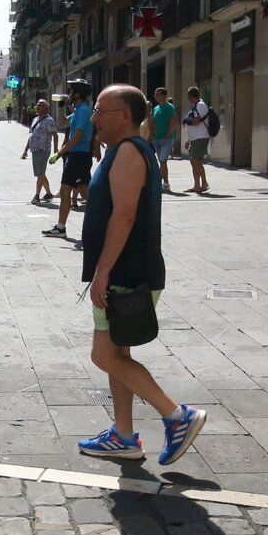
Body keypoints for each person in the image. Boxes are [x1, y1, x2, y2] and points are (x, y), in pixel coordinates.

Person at [77, 85, 207, 466]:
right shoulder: (127, 150)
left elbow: (125, 216)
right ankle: (123, 434)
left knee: (103, 355)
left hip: (126, 271)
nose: (94, 117)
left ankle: (177, 416)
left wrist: (102, 273)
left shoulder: (131, 151)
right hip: (128, 269)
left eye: (101, 110)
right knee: (118, 352)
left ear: (125, 115)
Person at [43, 82, 94, 239]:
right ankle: (60, 228)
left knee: (86, 193)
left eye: (70, 90)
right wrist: (60, 106)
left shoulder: (84, 111)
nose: (68, 92)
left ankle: (104, 223)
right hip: (73, 157)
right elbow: (62, 122)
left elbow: (78, 137)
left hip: (80, 156)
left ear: (77, 93)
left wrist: (59, 152)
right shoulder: (78, 110)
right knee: (65, 192)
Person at [21, 98, 59, 205]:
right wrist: (25, 150)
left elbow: (55, 135)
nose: (37, 107)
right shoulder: (35, 119)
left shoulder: (49, 120)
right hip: (35, 150)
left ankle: (37, 196)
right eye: (37, 105)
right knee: (40, 174)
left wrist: (56, 151)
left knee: (40, 173)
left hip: (44, 150)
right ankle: (48, 193)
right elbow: (32, 136)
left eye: (40, 105)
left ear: (47, 107)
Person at [181, 87, 211, 194]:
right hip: (195, 138)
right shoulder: (195, 106)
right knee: (193, 162)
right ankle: (197, 185)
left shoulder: (201, 105)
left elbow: (196, 122)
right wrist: (188, 140)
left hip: (201, 137)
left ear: (190, 96)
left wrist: (187, 120)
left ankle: (204, 183)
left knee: (196, 160)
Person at [149, 87, 178, 193]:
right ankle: (160, 183)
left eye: (157, 94)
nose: (155, 96)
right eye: (155, 94)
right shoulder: (156, 108)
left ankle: (165, 183)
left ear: (163, 96)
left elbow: (172, 121)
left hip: (166, 139)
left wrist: (168, 134)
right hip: (156, 139)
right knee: (161, 162)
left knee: (162, 161)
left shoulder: (169, 107)